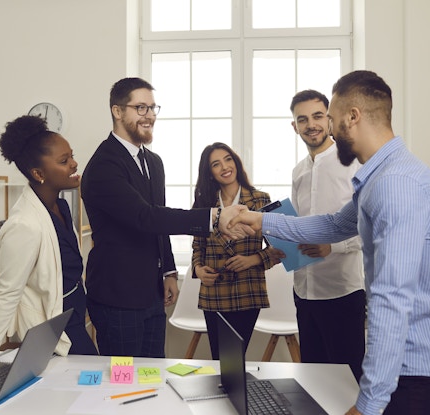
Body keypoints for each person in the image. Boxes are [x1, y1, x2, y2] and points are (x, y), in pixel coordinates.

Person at [221, 70, 430, 415]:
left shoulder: (396, 184)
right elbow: (334, 224)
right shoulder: (379, 176)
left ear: (353, 117)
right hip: (406, 364)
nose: (329, 130)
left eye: (331, 120)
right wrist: (258, 219)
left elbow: (392, 298)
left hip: (416, 368)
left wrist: (368, 404)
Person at [80, 77, 251, 358]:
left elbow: (159, 221)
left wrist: (168, 271)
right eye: (140, 108)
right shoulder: (103, 166)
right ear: (117, 111)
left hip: (152, 294)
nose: (149, 116)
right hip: (117, 297)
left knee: (151, 377)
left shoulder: (153, 162)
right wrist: (214, 217)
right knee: (122, 383)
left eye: (152, 108)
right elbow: (145, 217)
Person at [0, 115, 98, 366]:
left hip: (73, 316)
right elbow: (8, 291)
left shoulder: (62, 207)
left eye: (72, 156)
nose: (75, 164)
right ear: (38, 173)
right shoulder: (24, 224)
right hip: (53, 327)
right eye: (64, 161)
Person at [288, 89, 365, 382]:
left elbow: (370, 227)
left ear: (330, 120)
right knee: (314, 382)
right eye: (303, 119)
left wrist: (332, 246)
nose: (311, 125)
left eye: (318, 116)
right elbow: (297, 225)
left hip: (342, 293)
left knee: (347, 383)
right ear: (294, 126)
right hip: (304, 291)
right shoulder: (298, 172)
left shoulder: (355, 164)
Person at [192, 142, 279, 359]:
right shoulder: (205, 203)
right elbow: (197, 246)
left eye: (228, 159)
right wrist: (198, 269)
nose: (224, 167)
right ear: (209, 172)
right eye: (216, 164)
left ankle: (239, 394)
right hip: (214, 291)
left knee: (235, 358)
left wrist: (253, 260)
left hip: (247, 287)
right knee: (219, 359)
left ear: (236, 162)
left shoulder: (260, 199)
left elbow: (279, 249)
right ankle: (226, 393)